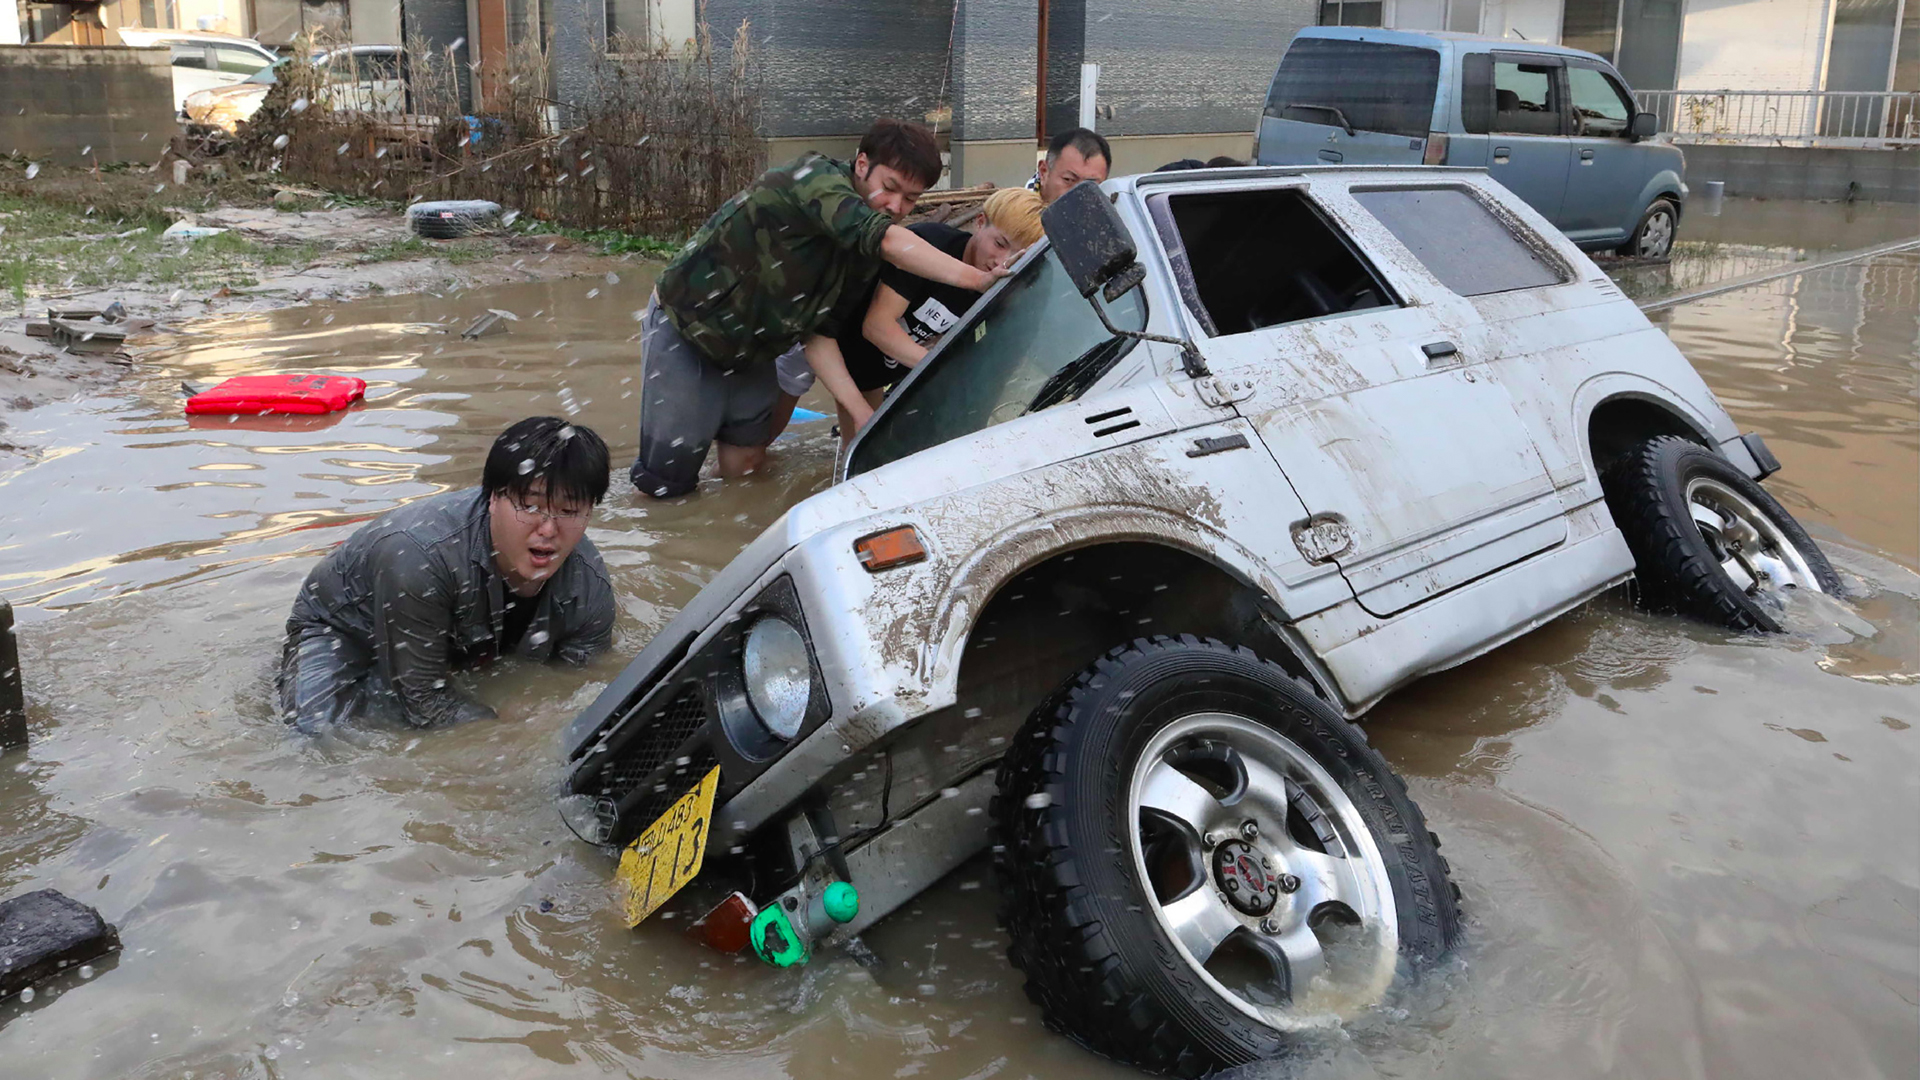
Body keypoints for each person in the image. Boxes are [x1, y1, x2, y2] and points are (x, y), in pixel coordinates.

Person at [631, 119, 1010, 499]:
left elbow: (821, 337)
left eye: (911, 199)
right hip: (688, 328)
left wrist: (861, 415)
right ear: (862, 164)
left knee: (746, 467)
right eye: (890, 188)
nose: (896, 206)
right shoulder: (813, 177)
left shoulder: (863, 256)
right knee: (665, 486)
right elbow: (885, 238)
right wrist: (976, 280)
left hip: (757, 349)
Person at [278, 417, 616, 732]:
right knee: (315, 731)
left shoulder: (589, 586)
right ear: (493, 497)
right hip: (347, 629)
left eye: (569, 511)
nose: (548, 528)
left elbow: (582, 683)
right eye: (530, 506)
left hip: (465, 636)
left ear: (589, 512)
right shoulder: (417, 557)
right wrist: (506, 728)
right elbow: (424, 702)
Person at [772, 187, 1047, 443]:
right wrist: (943, 367)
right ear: (979, 222)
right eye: (999, 243)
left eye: (1018, 255)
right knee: (755, 445)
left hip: (867, 368)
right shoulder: (928, 246)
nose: (1002, 262)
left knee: (863, 453)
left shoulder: (1008, 285)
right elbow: (877, 327)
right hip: (817, 336)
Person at [1029, 127, 1113, 205]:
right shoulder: (1018, 216)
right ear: (1043, 172)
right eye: (1069, 180)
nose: (1078, 195)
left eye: (1090, 185)